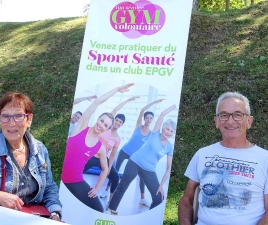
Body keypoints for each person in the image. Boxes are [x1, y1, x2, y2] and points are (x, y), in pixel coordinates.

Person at [0, 92, 62, 221]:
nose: (11, 123)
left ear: (29, 120)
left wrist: (55, 214)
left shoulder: (40, 150)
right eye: (5, 116)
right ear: (0, 120)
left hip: (32, 219)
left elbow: (49, 187)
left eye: (18, 116)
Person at [178, 92, 268, 225]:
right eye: (224, 115)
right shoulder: (202, 154)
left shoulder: (265, 158)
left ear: (249, 121)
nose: (230, 121)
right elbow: (187, 199)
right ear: (217, 122)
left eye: (238, 115)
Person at [61, 83, 134, 212]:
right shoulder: (82, 126)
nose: (102, 125)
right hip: (59, 175)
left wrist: (97, 188)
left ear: (107, 129)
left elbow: (105, 169)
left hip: (74, 180)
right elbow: (97, 102)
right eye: (101, 121)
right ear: (97, 119)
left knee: (99, 209)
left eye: (105, 125)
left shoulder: (100, 147)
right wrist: (116, 89)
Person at [107, 105, 177, 214]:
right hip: (134, 162)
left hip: (149, 170)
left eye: (171, 131)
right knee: (123, 186)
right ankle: (111, 209)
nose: (168, 132)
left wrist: (161, 185)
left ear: (173, 134)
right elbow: (163, 114)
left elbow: (169, 168)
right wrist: (174, 106)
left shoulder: (169, 147)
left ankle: (149, 218)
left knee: (158, 197)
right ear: (163, 128)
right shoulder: (155, 134)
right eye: (167, 129)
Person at [101, 99, 164, 207]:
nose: (148, 119)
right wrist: (154, 103)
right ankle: (106, 190)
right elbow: (142, 110)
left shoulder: (151, 134)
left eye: (150, 118)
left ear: (152, 120)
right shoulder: (139, 126)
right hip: (124, 151)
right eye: (147, 117)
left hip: (135, 157)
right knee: (114, 171)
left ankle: (142, 198)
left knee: (142, 177)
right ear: (144, 119)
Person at [83, 96, 139, 201]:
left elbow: (112, 154)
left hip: (103, 159)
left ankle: (111, 200)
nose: (117, 123)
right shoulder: (105, 127)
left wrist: (109, 167)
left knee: (115, 178)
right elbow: (115, 110)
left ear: (122, 125)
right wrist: (127, 100)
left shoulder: (117, 139)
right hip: (92, 156)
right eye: (116, 120)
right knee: (79, 170)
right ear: (113, 121)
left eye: (120, 122)